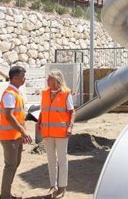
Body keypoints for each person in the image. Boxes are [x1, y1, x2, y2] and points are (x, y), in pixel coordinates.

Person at [38, 69, 75, 199]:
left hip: (61, 133)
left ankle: (62, 187)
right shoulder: (44, 93)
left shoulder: (66, 93)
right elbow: (43, 110)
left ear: (56, 80)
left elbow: (72, 112)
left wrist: (70, 127)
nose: (47, 81)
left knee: (62, 160)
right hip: (47, 132)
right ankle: (52, 186)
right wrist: (39, 122)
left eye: (49, 79)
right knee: (51, 160)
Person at [0, 66, 33, 199]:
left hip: (15, 136)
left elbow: (16, 116)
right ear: (15, 78)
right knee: (10, 165)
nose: (24, 79)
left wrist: (21, 134)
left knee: (14, 164)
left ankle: (7, 193)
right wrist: (23, 132)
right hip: (10, 137)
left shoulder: (15, 92)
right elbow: (9, 116)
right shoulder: (10, 94)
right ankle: (5, 195)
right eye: (23, 77)